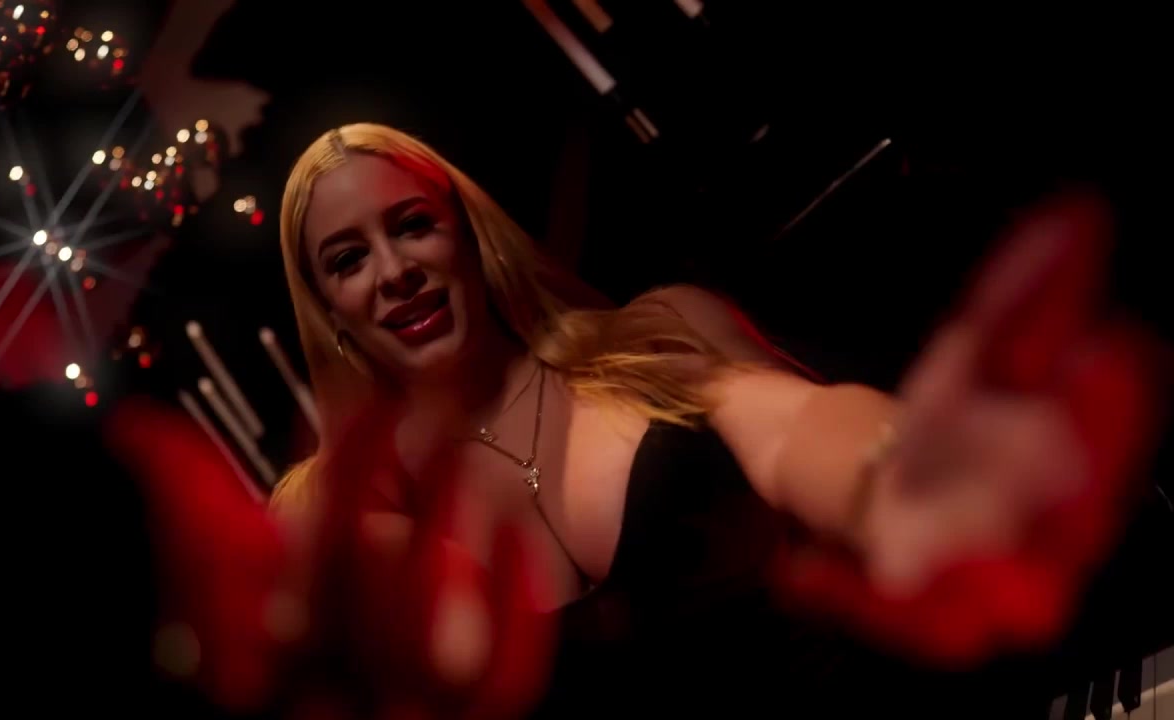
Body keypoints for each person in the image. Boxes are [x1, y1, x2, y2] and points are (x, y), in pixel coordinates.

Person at [109, 122, 1163, 717]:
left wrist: (900, 469)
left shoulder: (653, 335)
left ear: (468, 234)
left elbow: (792, 423)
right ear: (328, 312)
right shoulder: (335, 508)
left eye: (413, 226)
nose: (393, 272)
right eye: (348, 259)